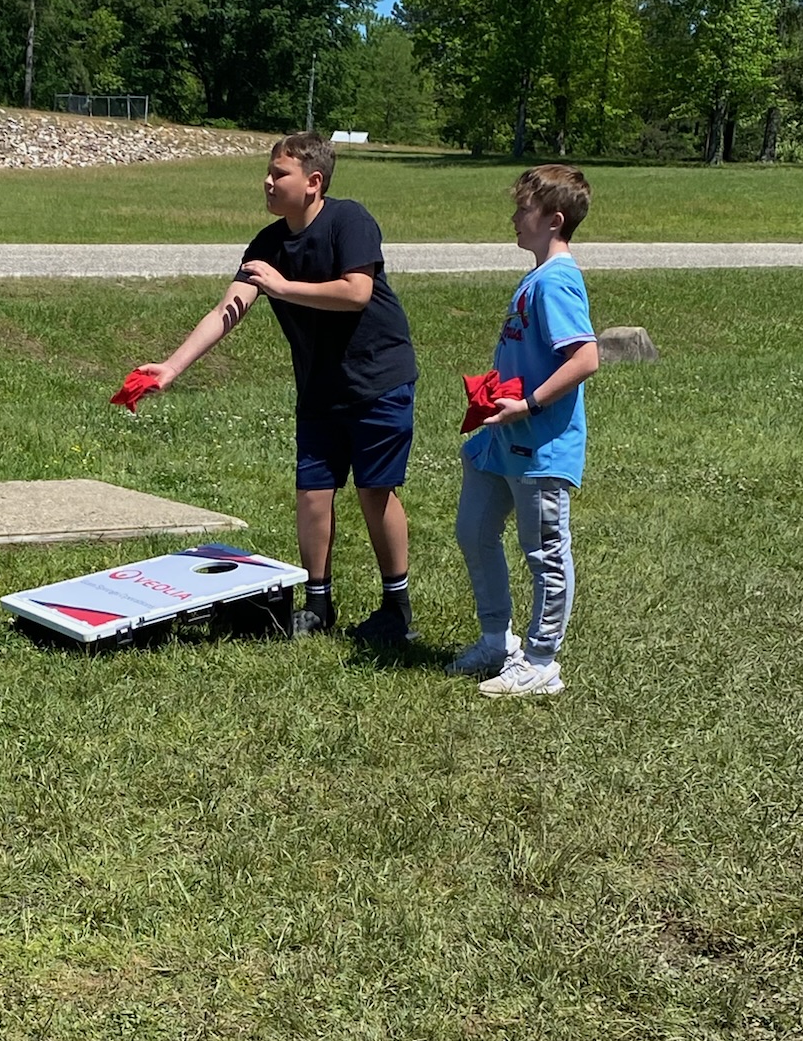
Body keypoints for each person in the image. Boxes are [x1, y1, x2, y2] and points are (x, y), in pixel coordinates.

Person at [132, 131, 420, 643]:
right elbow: (229, 308)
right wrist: (173, 367)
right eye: (267, 172)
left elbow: (357, 292)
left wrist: (284, 287)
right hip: (320, 390)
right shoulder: (269, 243)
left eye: (278, 174)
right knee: (312, 495)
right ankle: (318, 605)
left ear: (313, 182)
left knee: (375, 492)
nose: (267, 181)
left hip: (379, 380)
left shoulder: (349, 221)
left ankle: (396, 607)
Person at [451, 164, 600, 698]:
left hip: (540, 445)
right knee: (473, 531)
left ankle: (541, 662)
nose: (514, 217)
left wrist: (529, 404)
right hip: (499, 443)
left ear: (553, 220)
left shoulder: (558, 281)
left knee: (545, 553)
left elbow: (585, 358)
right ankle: (496, 640)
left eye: (523, 209)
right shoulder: (537, 276)